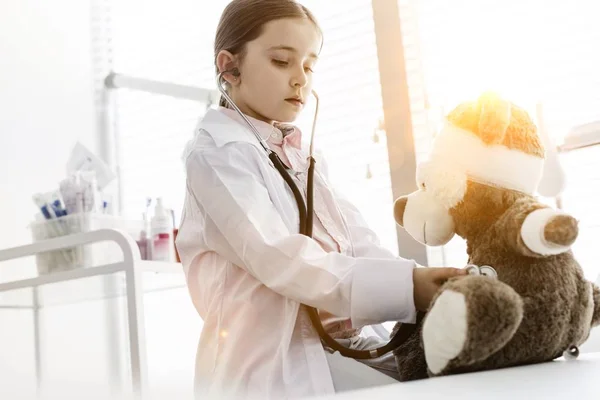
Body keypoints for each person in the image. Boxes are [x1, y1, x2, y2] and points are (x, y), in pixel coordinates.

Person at [175, 1, 466, 398]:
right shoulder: (216, 154)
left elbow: (357, 241)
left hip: (339, 349)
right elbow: (281, 258)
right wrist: (407, 287)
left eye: (309, 66)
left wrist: (419, 280)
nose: (300, 79)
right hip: (272, 369)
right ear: (230, 67)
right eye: (282, 61)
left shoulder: (301, 155)